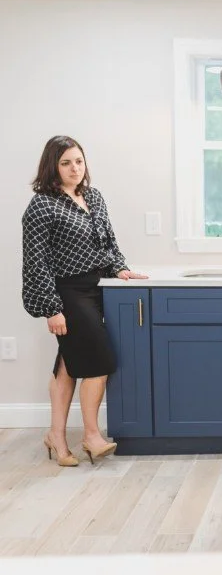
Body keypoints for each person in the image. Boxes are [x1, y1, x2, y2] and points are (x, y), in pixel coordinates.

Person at [21, 135, 147, 467]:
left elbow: (109, 241)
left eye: (79, 161)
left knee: (68, 365)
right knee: (99, 364)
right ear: (52, 166)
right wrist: (52, 308)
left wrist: (120, 268)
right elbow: (36, 261)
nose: (74, 168)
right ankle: (91, 436)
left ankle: (56, 436)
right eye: (66, 163)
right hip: (67, 293)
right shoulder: (42, 205)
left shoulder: (93, 196)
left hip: (97, 289)